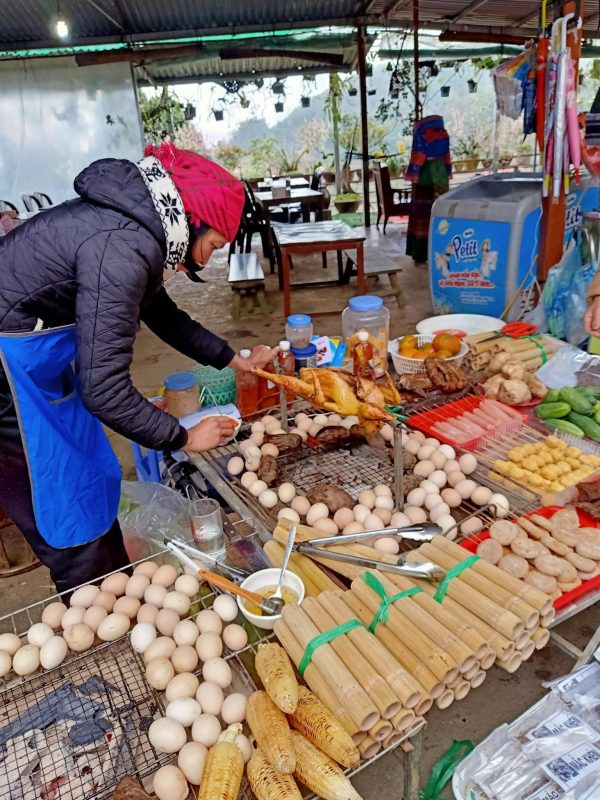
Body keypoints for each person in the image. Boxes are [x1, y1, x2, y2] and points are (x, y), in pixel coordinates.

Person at [0, 142, 274, 593]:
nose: (204, 261)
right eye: (212, 245)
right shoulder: (124, 246)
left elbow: (164, 316)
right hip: (6, 378)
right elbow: (104, 389)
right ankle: (94, 618)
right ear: (192, 220)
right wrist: (183, 436)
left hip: (35, 366)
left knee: (91, 474)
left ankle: (116, 584)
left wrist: (234, 361)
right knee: (60, 503)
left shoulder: (141, 230)